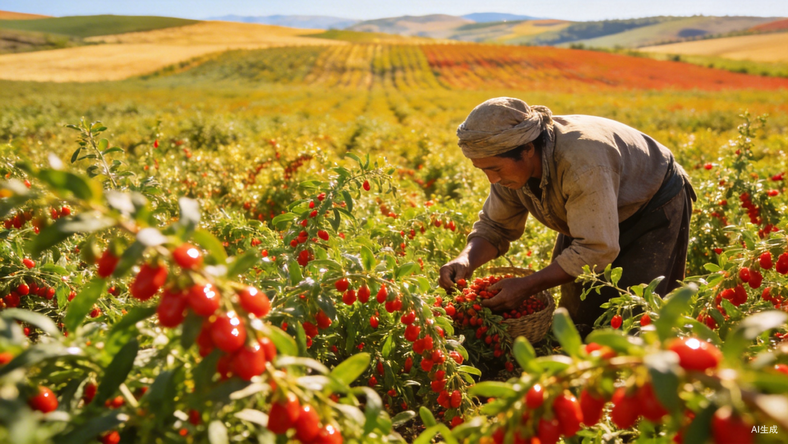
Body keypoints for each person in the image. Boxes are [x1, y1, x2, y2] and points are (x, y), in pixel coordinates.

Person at [438, 97, 696, 336]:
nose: (492, 179)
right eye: (483, 170)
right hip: (593, 210)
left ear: (527, 149)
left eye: (494, 168)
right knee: (577, 310)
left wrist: (528, 285)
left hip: (650, 205)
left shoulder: (583, 163)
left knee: (634, 315)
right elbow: (495, 227)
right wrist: (466, 260)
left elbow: (596, 248)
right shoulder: (510, 168)